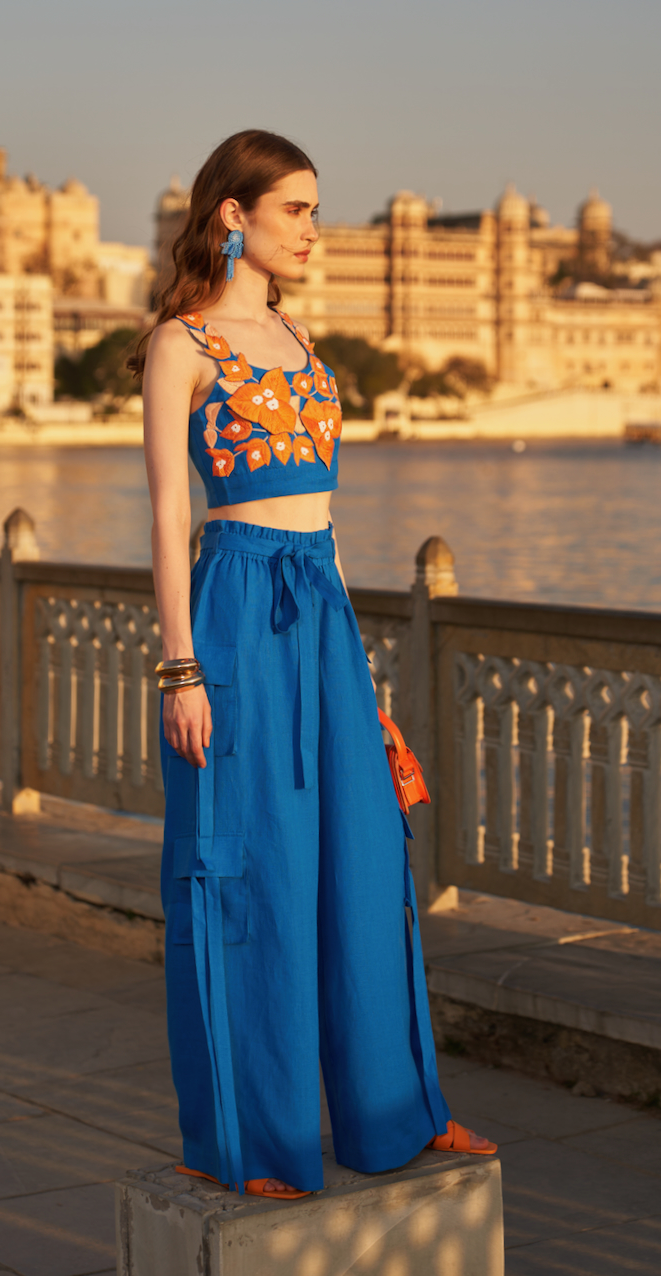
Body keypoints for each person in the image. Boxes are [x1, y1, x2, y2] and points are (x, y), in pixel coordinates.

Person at [136, 129, 496, 1199]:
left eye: (314, 208)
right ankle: (258, 1139)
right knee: (252, 870)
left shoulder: (298, 337)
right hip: (237, 604)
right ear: (231, 216)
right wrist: (179, 669)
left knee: (362, 854)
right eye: (294, 208)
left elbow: (326, 521)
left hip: (321, 610)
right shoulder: (181, 344)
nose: (312, 228)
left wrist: (365, 689)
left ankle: (396, 1113)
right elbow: (164, 517)